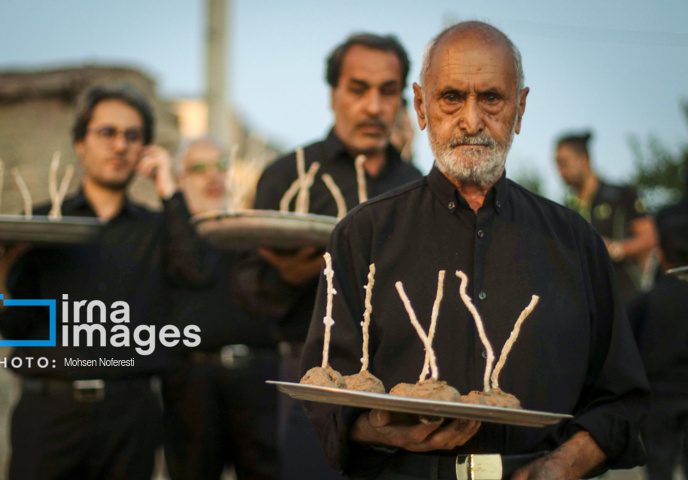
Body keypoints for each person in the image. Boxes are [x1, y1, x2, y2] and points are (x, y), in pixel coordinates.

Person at [301, 21, 650, 480]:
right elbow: (326, 396)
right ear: (421, 106)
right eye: (451, 97)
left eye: (491, 98)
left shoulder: (575, 242)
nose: (471, 120)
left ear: (520, 109)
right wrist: (380, 430)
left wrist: (565, 464)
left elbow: (622, 399)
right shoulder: (362, 235)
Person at [0, 84, 212, 480]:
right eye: (107, 133)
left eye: (132, 136)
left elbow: (198, 274)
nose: (120, 146)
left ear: (144, 150)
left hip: (131, 415)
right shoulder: (40, 224)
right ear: (81, 143)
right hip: (50, 415)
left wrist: (170, 189)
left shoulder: (158, 228)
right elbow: (17, 328)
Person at [232, 33, 423, 480]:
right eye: (358, 89)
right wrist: (287, 275)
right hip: (309, 381)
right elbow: (245, 289)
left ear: (402, 98)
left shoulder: (421, 189)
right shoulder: (291, 176)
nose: (374, 106)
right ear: (333, 93)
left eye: (387, 91)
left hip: (403, 385)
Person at [161, 137, 281, 480]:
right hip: (193, 384)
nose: (213, 176)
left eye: (221, 165)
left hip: (258, 378)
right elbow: (194, 268)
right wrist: (172, 200)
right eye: (198, 169)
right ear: (179, 180)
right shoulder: (167, 229)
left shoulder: (250, 228)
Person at [555, 131, 657, 305]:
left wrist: (616, 249)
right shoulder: (565, 208)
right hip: (585, 305)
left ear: (584, 159)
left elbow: (650, 237)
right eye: (557, 164)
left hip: (626, 298)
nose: (560, 171)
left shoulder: (621, 195)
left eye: (564, 162)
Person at [628, 219, 688, 480]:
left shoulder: (647, 299)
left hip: (657, 398)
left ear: (661, 255)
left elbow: (629, 349)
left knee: (659, 468)